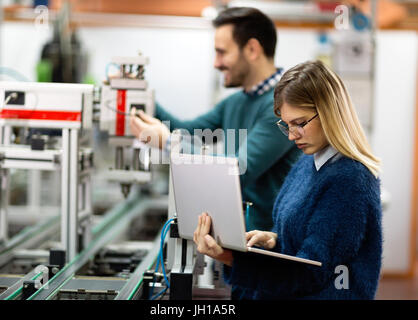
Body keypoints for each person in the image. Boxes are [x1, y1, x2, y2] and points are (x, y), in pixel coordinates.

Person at [193, 60, 383, 299]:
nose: (292, 136)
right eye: (287, 125)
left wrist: (229, 258)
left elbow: (310, 273)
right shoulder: (309, 161)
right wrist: (274, 239)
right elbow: (306, 239)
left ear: (329, 112)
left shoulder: (350, 180)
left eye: (300, 124)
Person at [130, 7, 301, 232]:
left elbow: (239, 169)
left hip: (268, 249)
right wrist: (140, 95)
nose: (216, 63)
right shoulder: (235, 102)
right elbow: (187, 131)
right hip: (236, 241)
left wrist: (169, 143)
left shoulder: (281, 107)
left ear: (251, 49)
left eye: (222, 52)